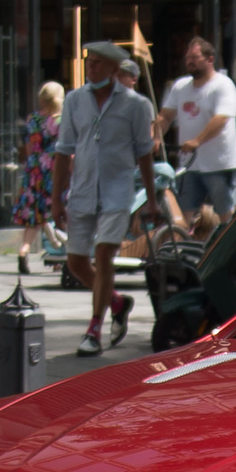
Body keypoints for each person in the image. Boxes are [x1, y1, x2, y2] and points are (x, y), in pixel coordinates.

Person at [49, 40, 160, 355]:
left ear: (114, 69)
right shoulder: (74, 100)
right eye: (89, 62)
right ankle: (116, 301)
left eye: (98, 63)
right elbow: (63, 150)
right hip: (82, 190)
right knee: (75, 261)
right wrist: (57, 198)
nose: (91, 68)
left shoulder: (136, 105)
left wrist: (151, 200)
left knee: (104, 254)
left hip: (117, 191)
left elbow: (143, 154)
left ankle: (94, 328)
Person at [161, 37, 236, 220]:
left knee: (224, 213)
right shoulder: (180, 86)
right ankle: (186, 246)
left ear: (210, 59)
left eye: (195, 57)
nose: (189, 61)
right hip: (189, 164)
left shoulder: (223, 85)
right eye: (187, 57)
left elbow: (221, 119)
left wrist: (197, 141)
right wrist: (156, 135)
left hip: (219, 164)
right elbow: (166, 116)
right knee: (184, 213)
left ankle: (228, 244)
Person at [12, 80, 62, 272]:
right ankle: (59, 257)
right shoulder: (60, 120)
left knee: (33, 217)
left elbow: (27, 148)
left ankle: (24, 251)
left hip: (33, 172)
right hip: (53, 172)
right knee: (57, 214)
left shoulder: (32, 119)